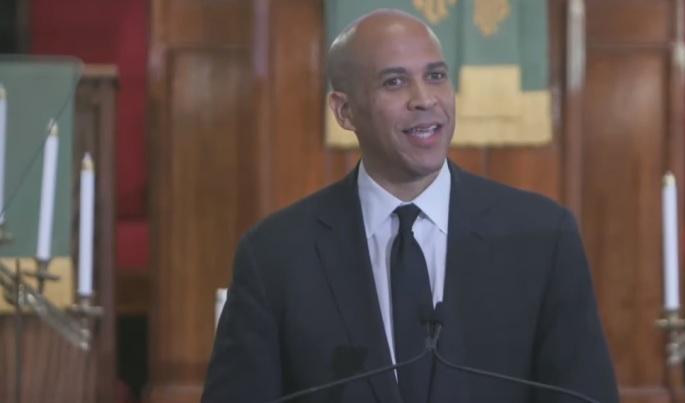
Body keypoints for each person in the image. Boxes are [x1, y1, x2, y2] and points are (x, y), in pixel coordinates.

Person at [202, 8, 619, 403]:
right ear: (345, 111)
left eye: (436, 76)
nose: (425, 99)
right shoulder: (275, 255)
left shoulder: (543, 238)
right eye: (394, 82)